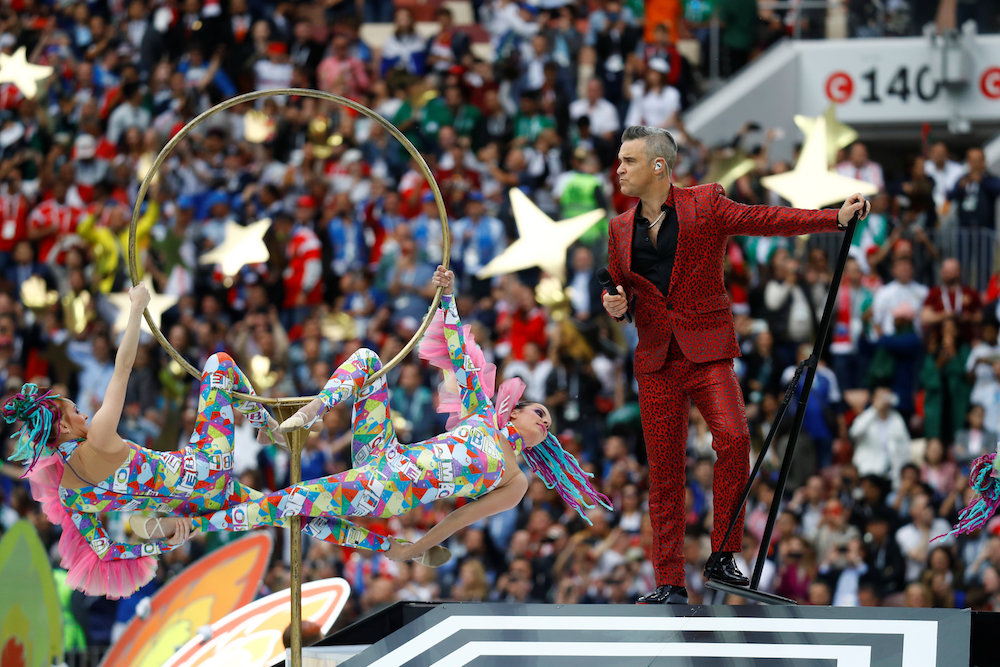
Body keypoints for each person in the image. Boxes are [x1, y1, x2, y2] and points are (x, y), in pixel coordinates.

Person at [602, 125, 868, 605]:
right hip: (657, 360)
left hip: (706, 351)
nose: (619, 168)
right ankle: (668, 580)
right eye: (620, 160)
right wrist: (614, 301)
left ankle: (722, 553)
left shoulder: (705, 204)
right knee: (664, 471)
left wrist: (833, 219)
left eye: (628, 160)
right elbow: (616, 281)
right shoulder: (619, 227)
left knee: (734, 437)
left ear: (659, 166)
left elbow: (766, 218)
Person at [189, 267, 611, 565]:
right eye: (540, 412)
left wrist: (413, 548)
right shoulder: (482, 416)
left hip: (390, 487)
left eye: (549, 426)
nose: (544, 422)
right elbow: (461, 356)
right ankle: (312, 412)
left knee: (291, 503)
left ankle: (193, 527)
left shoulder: (516, 482)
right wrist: (447, 297)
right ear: (514, 411)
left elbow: (458, 518)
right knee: (369, 359)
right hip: (385, 453)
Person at [1, 283, 282, 599]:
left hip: (192, 510)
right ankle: (265, 425)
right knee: (219, 364)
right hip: (204, 467)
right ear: (64, 427)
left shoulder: (69, 496)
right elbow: (122, 369)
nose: (85, 416)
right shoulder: (98, 439)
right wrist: (136, 307)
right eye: (77, 412)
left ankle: (350, 532)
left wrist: (165, 543)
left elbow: (106, 551)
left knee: (285, 510)